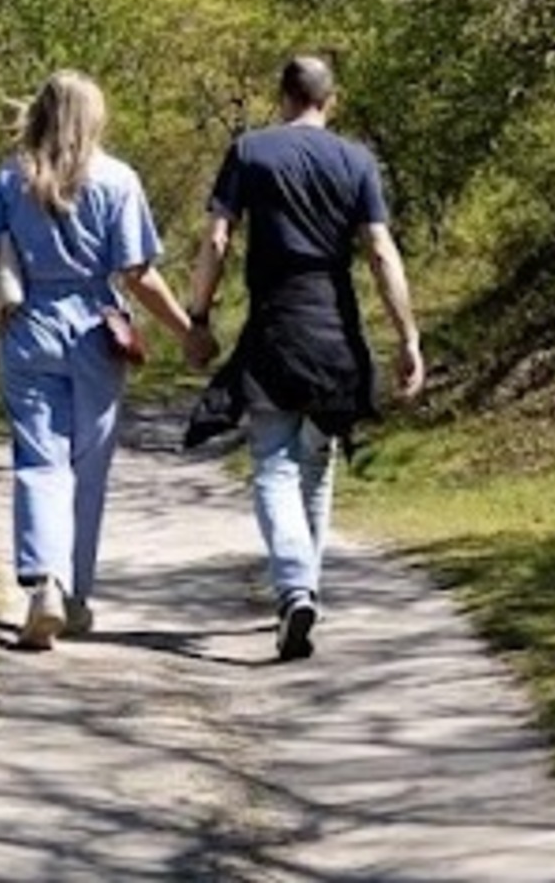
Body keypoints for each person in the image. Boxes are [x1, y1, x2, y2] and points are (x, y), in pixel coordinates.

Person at [0, 69, 210, 650]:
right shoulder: (118, 180)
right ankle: (76, 597)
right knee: (88, 467)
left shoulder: (12, 179)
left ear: (40, 113)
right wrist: (188, 331)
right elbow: (137, 274)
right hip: (95, 333)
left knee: (40, 460)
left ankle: (45, 583)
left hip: (27, 328)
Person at [181, 54, 425, 662]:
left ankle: (295, 589)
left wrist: (198, 315)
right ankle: (301, 591)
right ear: (329, 100)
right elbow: (380, 251)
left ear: (282, 96)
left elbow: (217, 238)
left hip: (276, 326)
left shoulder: (250, 152)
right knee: (316, 462)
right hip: (335, 328)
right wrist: (408, 337)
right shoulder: (356, 161)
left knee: (273, 463)